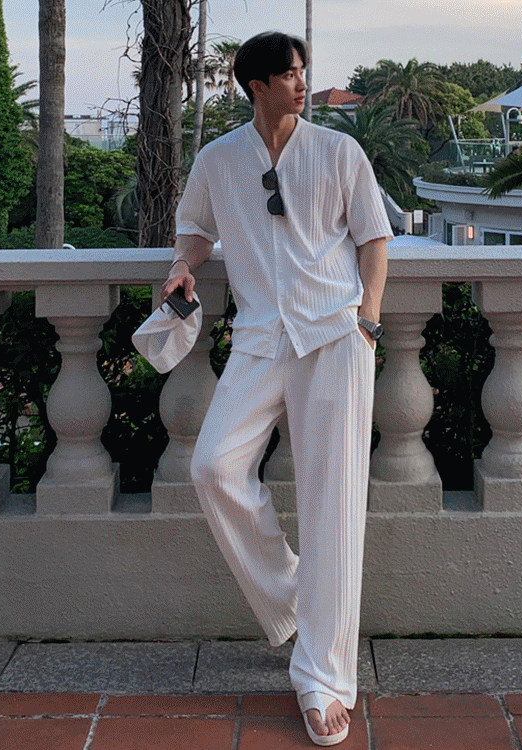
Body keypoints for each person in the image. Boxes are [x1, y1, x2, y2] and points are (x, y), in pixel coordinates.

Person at [162, 31, 391, 746]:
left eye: (302, 72)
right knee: (212, 467)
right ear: (256, 85)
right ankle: (294, 591)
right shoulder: (218, 159)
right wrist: (183, 265)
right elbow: (196, 228)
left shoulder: (339, 152)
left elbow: (374, 239)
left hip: (334, 337)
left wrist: (368, 322)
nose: (301, 83)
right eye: (289, 74)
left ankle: (323, 679)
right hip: (261, 337)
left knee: (334, 506)